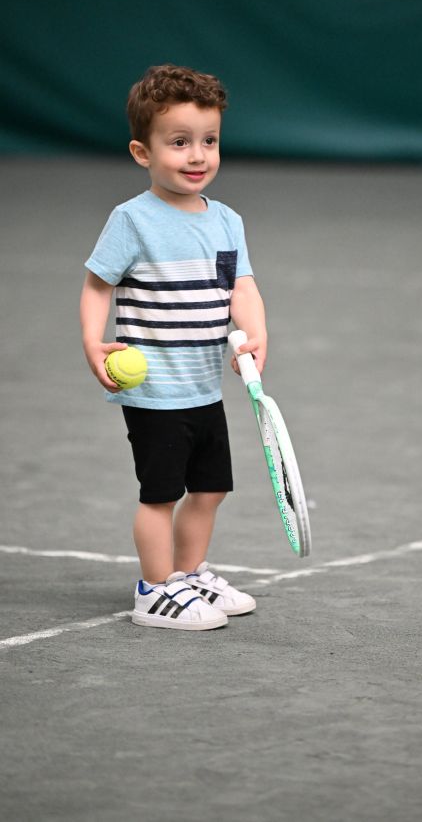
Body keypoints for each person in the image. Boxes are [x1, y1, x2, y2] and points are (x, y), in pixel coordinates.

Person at [80, 64, 267, 631]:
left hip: (204, 387)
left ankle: (188, 575)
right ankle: (154, 590)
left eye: (209, 141)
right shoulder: (132, 220)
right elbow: (97, 285)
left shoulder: (227, 221)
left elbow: (241, 287)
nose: (197, 156)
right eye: (179, 142)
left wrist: (255, 333)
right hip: (155, 393)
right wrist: (92, 341)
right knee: (160, 495)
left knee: (210, 490)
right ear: (143, 152)